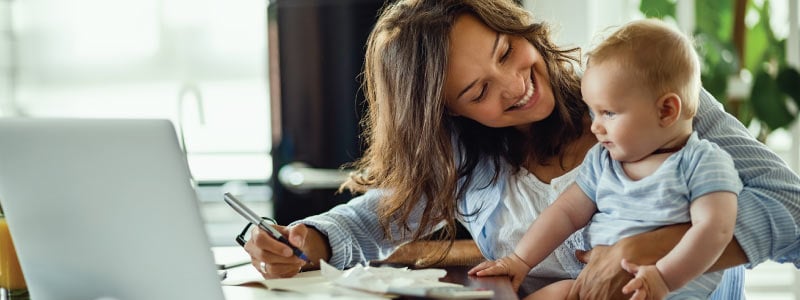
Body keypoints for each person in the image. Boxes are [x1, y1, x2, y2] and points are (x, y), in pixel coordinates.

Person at [244, 0, 800, 298]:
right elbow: (372, 219)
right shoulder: (468, 156)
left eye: (507, 51)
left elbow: (793, 211)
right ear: (449, 113)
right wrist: (303, 240)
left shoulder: (648, 94)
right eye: (478, 91)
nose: (515, 84)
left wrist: (655, 247)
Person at [468, 19, 741, 300]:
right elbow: (565, 213)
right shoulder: (604, 161)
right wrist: (520, 260)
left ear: (666, 111)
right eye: (593, 112)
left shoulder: (703, 163)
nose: (595, 126)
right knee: (558, 293)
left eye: (608, 113)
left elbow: (716, 230)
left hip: (667, 291)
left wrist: (663, 277)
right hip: (595, 287)